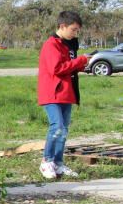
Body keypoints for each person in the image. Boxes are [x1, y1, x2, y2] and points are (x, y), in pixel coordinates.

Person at [37, 11, 88, 180]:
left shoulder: (69, 45)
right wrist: (79, 61)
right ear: (62, 26)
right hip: (52, 93)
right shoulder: (51, 44)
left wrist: (83, 64)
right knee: (57, 126)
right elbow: (57, 68)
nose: (75, 33)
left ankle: (58, 163)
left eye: (77, 31)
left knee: (64, 130)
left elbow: (69, 66)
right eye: (73, 30)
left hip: (67, 93)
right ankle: (47, 161)